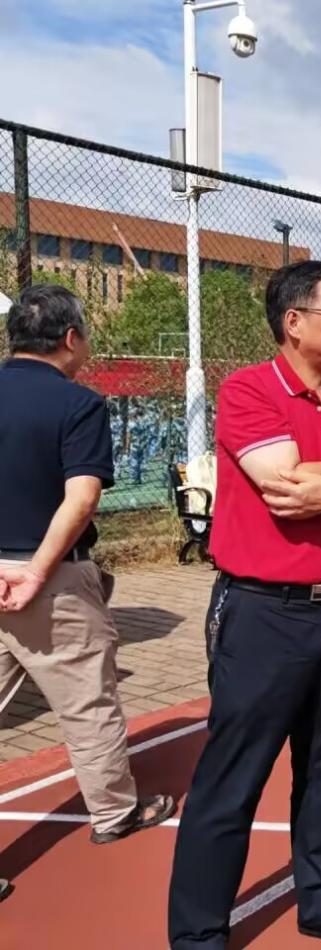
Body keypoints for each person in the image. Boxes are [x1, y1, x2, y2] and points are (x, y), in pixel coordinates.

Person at [168, 261, 321, 950]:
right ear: (294, 322)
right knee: (232, 778)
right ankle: (198, 934)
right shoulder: (250, 390)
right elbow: (283, 486)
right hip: (264, 614)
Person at [0, 284, 175, 857]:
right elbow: (80, 500)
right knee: (86, 704)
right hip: (50, 578)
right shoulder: (78, 404)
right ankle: (114, 812)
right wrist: (34, 572)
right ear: (71, 338)